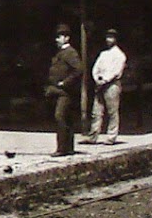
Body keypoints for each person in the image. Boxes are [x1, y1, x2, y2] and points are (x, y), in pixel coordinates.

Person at [44, 24, 83, 156]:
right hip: (59, 91)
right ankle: (69, 148)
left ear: (67, 38)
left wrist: (65, 82)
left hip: (65, 92)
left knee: (59, 116)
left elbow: (78, 70)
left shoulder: (70, 52)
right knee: (67, 118)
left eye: (59, 37)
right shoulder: (60, 53)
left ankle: (62, 149)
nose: (57, 39)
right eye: (57, 37)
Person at [89, 29, 126, 145]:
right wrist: (97, 78)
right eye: (107, 37)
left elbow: (116, 71)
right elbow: (96, 67)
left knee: (112, 111)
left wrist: (105, 79)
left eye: (111, 37)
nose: (108, 40)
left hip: (112, 84)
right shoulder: (103, 54)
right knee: (96, 111)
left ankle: (111, 136)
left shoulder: (120, 55)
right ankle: (93, 135)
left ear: (115, 39)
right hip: (100, 84)